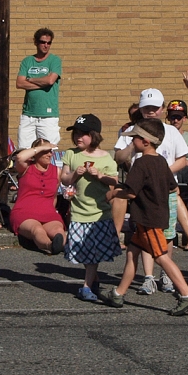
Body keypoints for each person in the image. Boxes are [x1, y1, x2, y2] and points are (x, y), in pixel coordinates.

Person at [101, 119, 188, 316]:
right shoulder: (161, 162)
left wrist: (113, 194)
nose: (132, 142)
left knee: (161, 257)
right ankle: (118, 293)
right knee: (132, 253)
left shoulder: (141, 163)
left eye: (135, 139)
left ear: (145, 141)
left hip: (148, 219)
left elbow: (130, 193)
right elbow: (172, 186)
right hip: (154, 216)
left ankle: (187, 294)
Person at [114, 88, 188, 293]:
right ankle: (148, 277)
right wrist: (132, 143)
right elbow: (119, 158)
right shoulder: (133, 132)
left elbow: (182, 159)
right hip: (141, 192)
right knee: (145, 235)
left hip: (164, 190)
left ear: (162, 108)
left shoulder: (171, 131)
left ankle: (168, 277)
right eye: (146, 108)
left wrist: (159, 173)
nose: (151, 112)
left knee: (165, 235)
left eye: (155, 108)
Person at [60, 114, 121, 301]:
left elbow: (115, 182)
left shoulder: (106, 157)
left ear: (94, 135)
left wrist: (100, 175)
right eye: (76, 133)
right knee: (85, 252)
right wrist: (74, 176)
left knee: (92, 253)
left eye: (84, 134)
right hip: (78, 212)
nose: (79, 137)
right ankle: (92, 280)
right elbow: (63, 178)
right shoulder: (71, 154)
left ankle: (86, 286)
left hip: (100, 213)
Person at [10, 138, 66, 254]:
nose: (49, 154)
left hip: (47, 211)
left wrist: (52, 211)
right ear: (35, 153)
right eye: (45, 151)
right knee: (37, 229)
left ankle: (61, 243)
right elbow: (19, 157)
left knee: (58, 229)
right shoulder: (26, 167)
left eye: (50, 151)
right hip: (25, 212)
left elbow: (54, 196)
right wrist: (40, 147)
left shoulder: (56, 171)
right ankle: (50, 246)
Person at [15, 28, 61, 149]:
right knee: (24, 151)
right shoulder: (27, 61)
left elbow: (50, 80)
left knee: (49, 150)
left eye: (49, 43)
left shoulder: (54, 60)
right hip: (28, 115)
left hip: (48, 116)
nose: (46, 45)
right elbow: (19, 83)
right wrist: (43, 82)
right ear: (36, 42)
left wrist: (30, 79)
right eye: (43, 42)